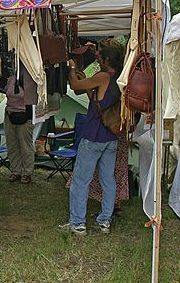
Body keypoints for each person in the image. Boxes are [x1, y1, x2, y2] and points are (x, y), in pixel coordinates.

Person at [59, 38, 124, 235]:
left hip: (93, 135)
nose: (96, 56)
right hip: (111, 137)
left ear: (106, 59)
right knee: (107, 180)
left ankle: (78, 223)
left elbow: (75, 86)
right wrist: (87, 83)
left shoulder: (103, 76)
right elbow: (97, 101)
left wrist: (71, 68)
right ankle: (105, 220)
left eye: (98, 55)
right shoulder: (119, 77)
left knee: (81, 180)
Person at [4, 61, 37, 184]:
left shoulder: (31, 81)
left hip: (25, 115)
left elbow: (33, 99)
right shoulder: (11, 79)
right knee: (12, 144)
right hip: (9, 114)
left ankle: (27, 173)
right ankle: (16, 171)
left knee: (25, 146)